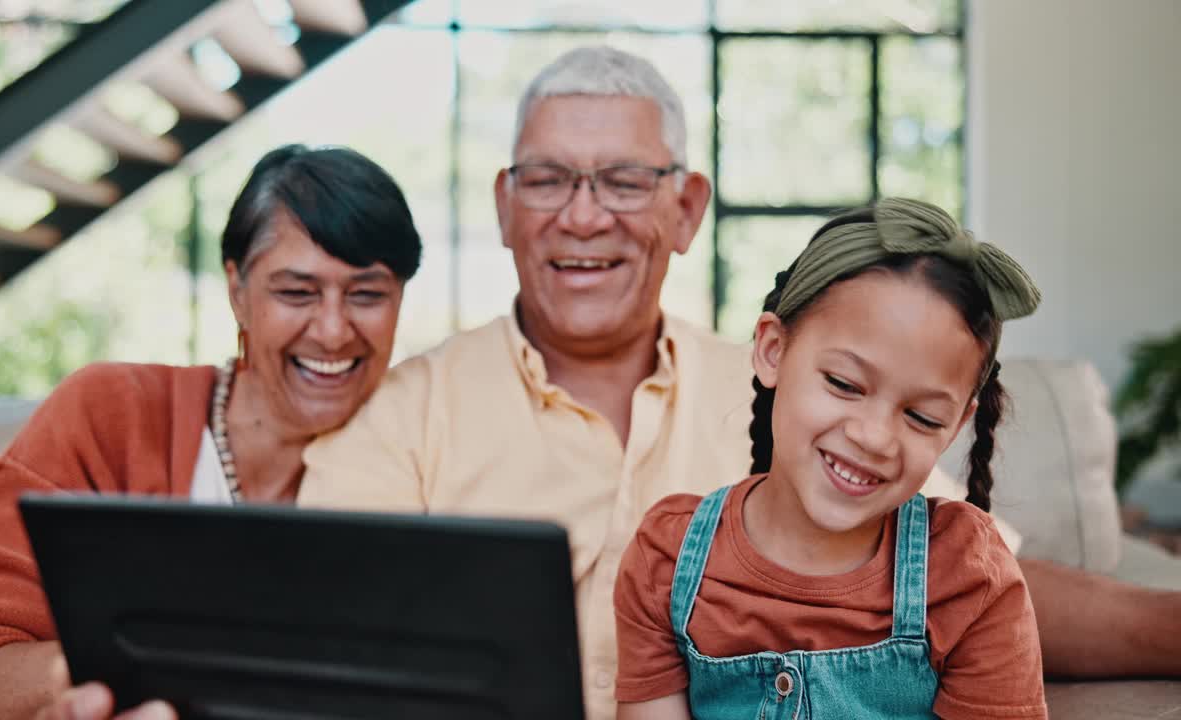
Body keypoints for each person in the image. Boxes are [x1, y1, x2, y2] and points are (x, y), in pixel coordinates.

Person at [300, 45, 1181, 720]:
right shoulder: (401, 413)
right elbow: (324, 645)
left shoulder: (805, 398)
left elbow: (974, 580)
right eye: (547, 179)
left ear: (685, 209)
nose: (581, 213)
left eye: (623, 181)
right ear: (504, 204)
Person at [0, 144, 423, 720]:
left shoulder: (425, 449)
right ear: (237, 291)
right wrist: (161, 660)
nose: (331, 331)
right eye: (296, 292)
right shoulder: (110, 415)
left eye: (367, 294)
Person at [614, 199, 1047, 719]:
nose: (874, 438)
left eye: (922, 417)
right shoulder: (667, 558)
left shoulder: (968, 576)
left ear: (956, 426)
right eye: (844, 384)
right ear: (773, 350)